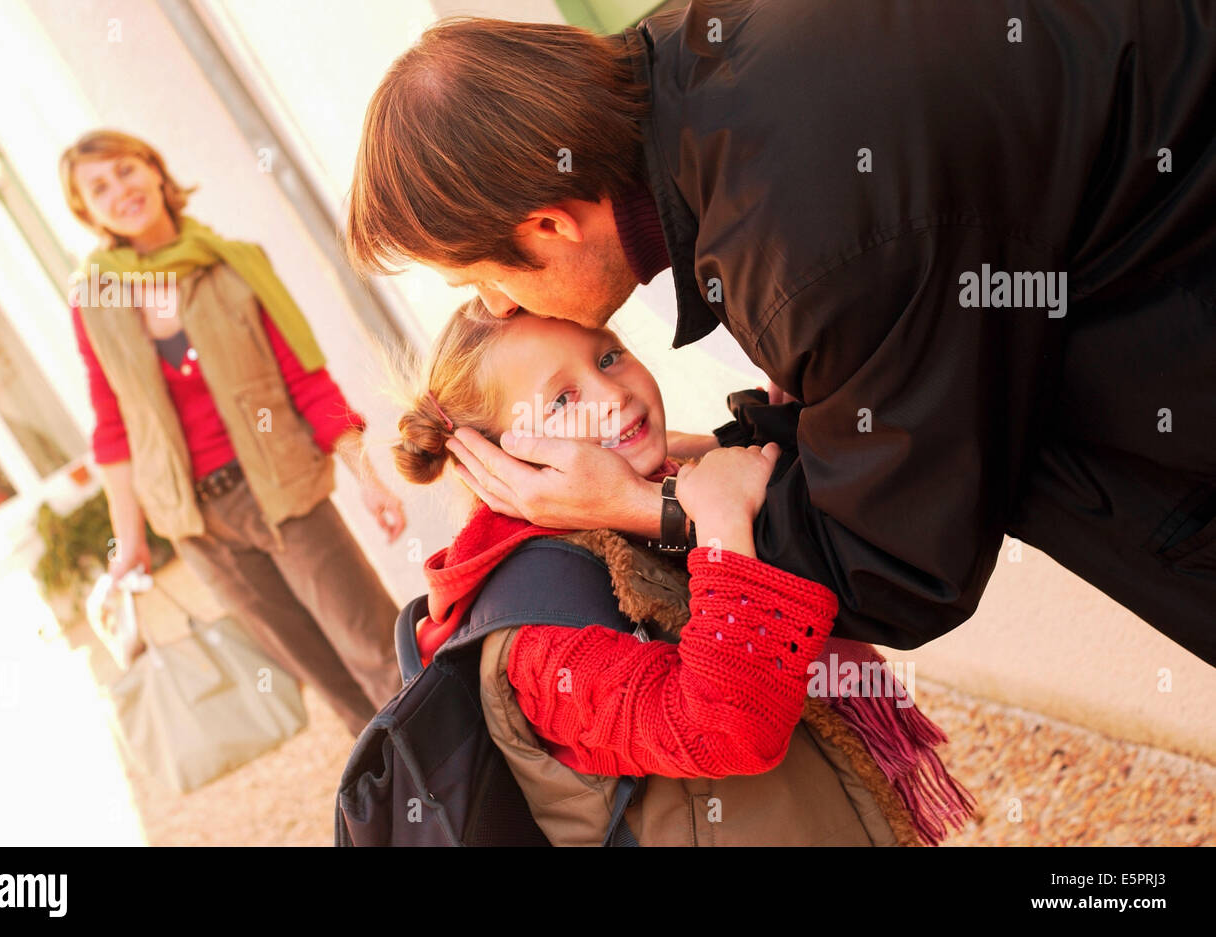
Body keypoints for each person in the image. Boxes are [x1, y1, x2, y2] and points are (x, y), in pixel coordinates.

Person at [347, 3, 1216, 667]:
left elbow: (903, 563)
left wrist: (640, 507)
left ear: (547, 226)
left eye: (480, 279)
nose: (496, 306)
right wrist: (728, 448)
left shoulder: (801, 237)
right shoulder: (704, 53)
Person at [389, 299, 974, 846]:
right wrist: (721, 520)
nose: (612, 395)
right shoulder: (541, 639)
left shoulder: (661, 484)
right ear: (496, 461)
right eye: (563, 401)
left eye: (609, 355)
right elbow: (722, 729)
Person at [60, 129, 403, 734]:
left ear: (154, 169)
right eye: (99, 187)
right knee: (322, 674)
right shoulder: (96, 302)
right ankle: (402, 806)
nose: (120, 191)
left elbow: (306, 378)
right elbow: (113, 431)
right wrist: (129, 542)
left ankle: (461, 784)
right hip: (197, 523)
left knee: (375, 650)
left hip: (282, 491)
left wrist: (369, 479)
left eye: (125, 170)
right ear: (86, 211)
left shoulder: (236, 264)